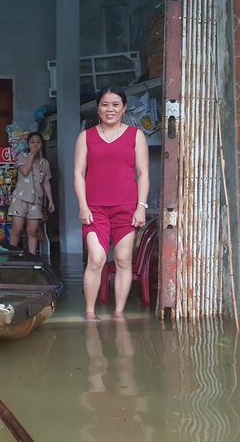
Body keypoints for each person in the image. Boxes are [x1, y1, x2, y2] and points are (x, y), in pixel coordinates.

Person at [73, 84, 149, 321]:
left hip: (127, 208)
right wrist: (83, 206)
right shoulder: (86, 137)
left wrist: (141, 206)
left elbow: (144, 173)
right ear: (97, 109)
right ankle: (89, 312)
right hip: (95, 209)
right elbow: (78, 173)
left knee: (123, 259)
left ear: (124, 108)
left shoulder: (136, 135)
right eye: (105, 104)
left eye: (115, 104)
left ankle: (118, 313)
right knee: (96, 258)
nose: (110, 109)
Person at [7, 132, 55, 254]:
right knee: (17, 230)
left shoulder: (45, 163)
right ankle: (12, 258)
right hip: (20, 199)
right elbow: (24, 171)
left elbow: (46, 183)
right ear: (28, 144)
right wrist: (31, 155)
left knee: (32, 232)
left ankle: (32, 259)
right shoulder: (22, 157)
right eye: (32, 142)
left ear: (42, 144)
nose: (35, 145)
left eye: (38, 142)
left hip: (36, 200)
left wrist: (50, 200)